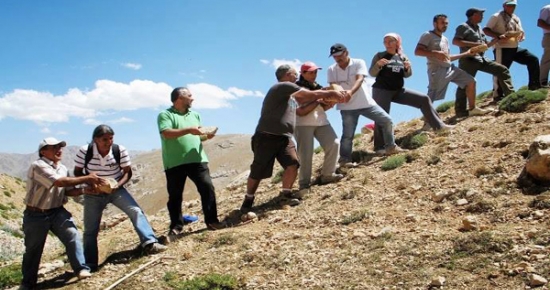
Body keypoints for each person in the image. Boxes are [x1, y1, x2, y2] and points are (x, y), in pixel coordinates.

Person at [239, 64, 346, 213]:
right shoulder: (283, 86)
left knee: (293, 164)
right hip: (267, 136)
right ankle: (249, 198)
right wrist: (328, 94)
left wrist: (326, 98)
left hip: (284, 137)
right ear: (288, 74)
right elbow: (308, 97)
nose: (297, 77)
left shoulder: (290, 95)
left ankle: (286, 194)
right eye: (295, 74)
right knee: (258, 170)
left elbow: (303, 107)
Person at [74, 125, 167, 271]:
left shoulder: (119, 150)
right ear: (96, 139)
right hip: (94, 194)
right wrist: (91, 183)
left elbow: (127, 172)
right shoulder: (85, 151)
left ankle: (149, 242)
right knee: (90, 229)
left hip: (116, 190)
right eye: (105, 139)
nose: (108, 142)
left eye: (111, 138)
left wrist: (117, 185)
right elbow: (77, 172)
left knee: (135, 211)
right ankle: (91, 264)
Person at [21, 137, 102, 289]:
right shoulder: (37, 165)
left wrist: (85, 189)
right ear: (43, 151)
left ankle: (81, 268)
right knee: (33, 249)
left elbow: (67, 191)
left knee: (72, 235)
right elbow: (59, 182)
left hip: (57, 211)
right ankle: (27, 283)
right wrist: (88, 178)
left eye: (60, 146)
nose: (59, 150)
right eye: (54, 147)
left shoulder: (63, 168)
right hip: (36, 214)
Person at [157, 87, 225, 235]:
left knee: (207, 188)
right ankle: (176, 226)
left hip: (197, 160)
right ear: (180, 98)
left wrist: (207, 136)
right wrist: (189, 130)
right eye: (189, 96)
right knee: (175, 196)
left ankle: (212, 221)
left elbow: (198, 136)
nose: (192, 98)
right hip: (174, 162)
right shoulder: (165, 115)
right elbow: (167, 133)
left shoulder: (195, 115)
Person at [369, 33, 453, 151]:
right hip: (381, 90)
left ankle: (438, 126)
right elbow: (372, 73)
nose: (387, 44)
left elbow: (407, 75)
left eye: (390, 41)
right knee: (382, 117)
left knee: (423, 99)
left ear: (397, 42)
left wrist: (408, 68)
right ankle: (380, 147)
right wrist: (378, 65)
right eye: (385, 42)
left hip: (398, 90)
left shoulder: (402, 56)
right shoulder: (379, 55)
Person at [327, 43, 406, 160]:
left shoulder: (358, 63)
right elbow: (332, 84)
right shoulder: (331, 69)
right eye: (334, 56)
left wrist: (350, 93)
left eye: (339, 55)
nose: (337, 58)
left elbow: (360, 79)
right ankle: (344, 160)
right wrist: (337, 94)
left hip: (365, 103)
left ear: (346, 52)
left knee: (386, 121)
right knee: (347, 136)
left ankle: (390, 147)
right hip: (346, 107)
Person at [415, 14, 492, 118]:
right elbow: (417, 51)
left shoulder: (445, 39)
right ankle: (428, 122)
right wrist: (435, 53)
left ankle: (473, 109)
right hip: (437, 71)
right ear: (435, 24)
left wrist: (466, 53)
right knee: (431, 98)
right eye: (442, 23)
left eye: (446, 23)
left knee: (471, 81)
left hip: (450, 68)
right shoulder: (427, 35)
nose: (445, 25)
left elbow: (448, 57)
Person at [453, 7, 515, 112]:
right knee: (464, 85)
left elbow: (486, 45)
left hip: (481, 58)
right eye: (480, 14)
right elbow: (456, 41)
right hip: (468, 60)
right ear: (473, 15)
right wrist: (475, 44)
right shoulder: (463, 27)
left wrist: (499, 38)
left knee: (502, 70)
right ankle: (460, 111)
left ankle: (511, 98)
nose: (482, 16)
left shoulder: (479, 28)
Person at [294, 61, 343, 190]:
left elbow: (321, 108)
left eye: (315, 72)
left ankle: (328, 174)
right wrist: (318, 100)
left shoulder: (318, 88)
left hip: (321, 121)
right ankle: (304, 185)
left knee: (334, 143)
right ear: (302, 73)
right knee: (305, 154)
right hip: (302, 124)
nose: (314, 74)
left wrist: (329, 103)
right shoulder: (295, 89)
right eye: (311, 72)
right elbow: (301, 112)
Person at [483, 0, 542, 91]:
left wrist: (521, 35)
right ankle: (498, 94)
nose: (512, 8)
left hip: (514, 47)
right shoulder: (496, 16)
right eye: (509, 5)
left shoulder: (516, 18)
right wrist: (498, 36)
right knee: (501, 70)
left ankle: (534, 86)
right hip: (502, 48)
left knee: (533, 59)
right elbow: (486, 29)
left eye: (514, 6)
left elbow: (520, 31)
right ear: (504, 6)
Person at [539, 4, 550, 87]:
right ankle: (542, 81)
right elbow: (540, 22)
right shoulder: (547, 8)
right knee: (547, 58)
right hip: (549, 35)